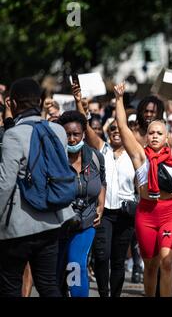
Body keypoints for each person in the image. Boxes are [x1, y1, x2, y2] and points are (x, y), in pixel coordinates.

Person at [114, 82, 172, 297]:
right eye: (151, 132)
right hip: (145, 214)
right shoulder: (139, 156)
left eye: (159, 133)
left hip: (170, 213)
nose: (154, 136)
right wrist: (118, 99)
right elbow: (123, 127)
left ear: (166, 138)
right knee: (151, 266)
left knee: (166, 261)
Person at [0, 77, 75, 297]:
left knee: (10, 285)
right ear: (40, 102)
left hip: (17, 227)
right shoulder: (58, 131)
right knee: (48, 284)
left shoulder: (13, 135)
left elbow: (5, 183)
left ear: (12, 104)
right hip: (52, 221)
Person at [72, 83, 137, 297]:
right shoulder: (102, 150)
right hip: (104, 212)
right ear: (108, 134)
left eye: (120, 129)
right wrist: (78, 101)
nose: (116, 132)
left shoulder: (134, 154)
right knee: (102, 256)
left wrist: (120, 99)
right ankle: (103, 292)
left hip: (126, 213)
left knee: (118, 260)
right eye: (112, 129)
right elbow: (86, 128)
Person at [56, 110, 106, 297]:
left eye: (76, 134)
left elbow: (102, 182)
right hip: (58, 224)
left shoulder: (95, 157)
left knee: (75, 264)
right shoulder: (55, 158)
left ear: (84, 134)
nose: (71, 139)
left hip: (86, 222)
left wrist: (100, 207)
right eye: (67, 134)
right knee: (56, 272)